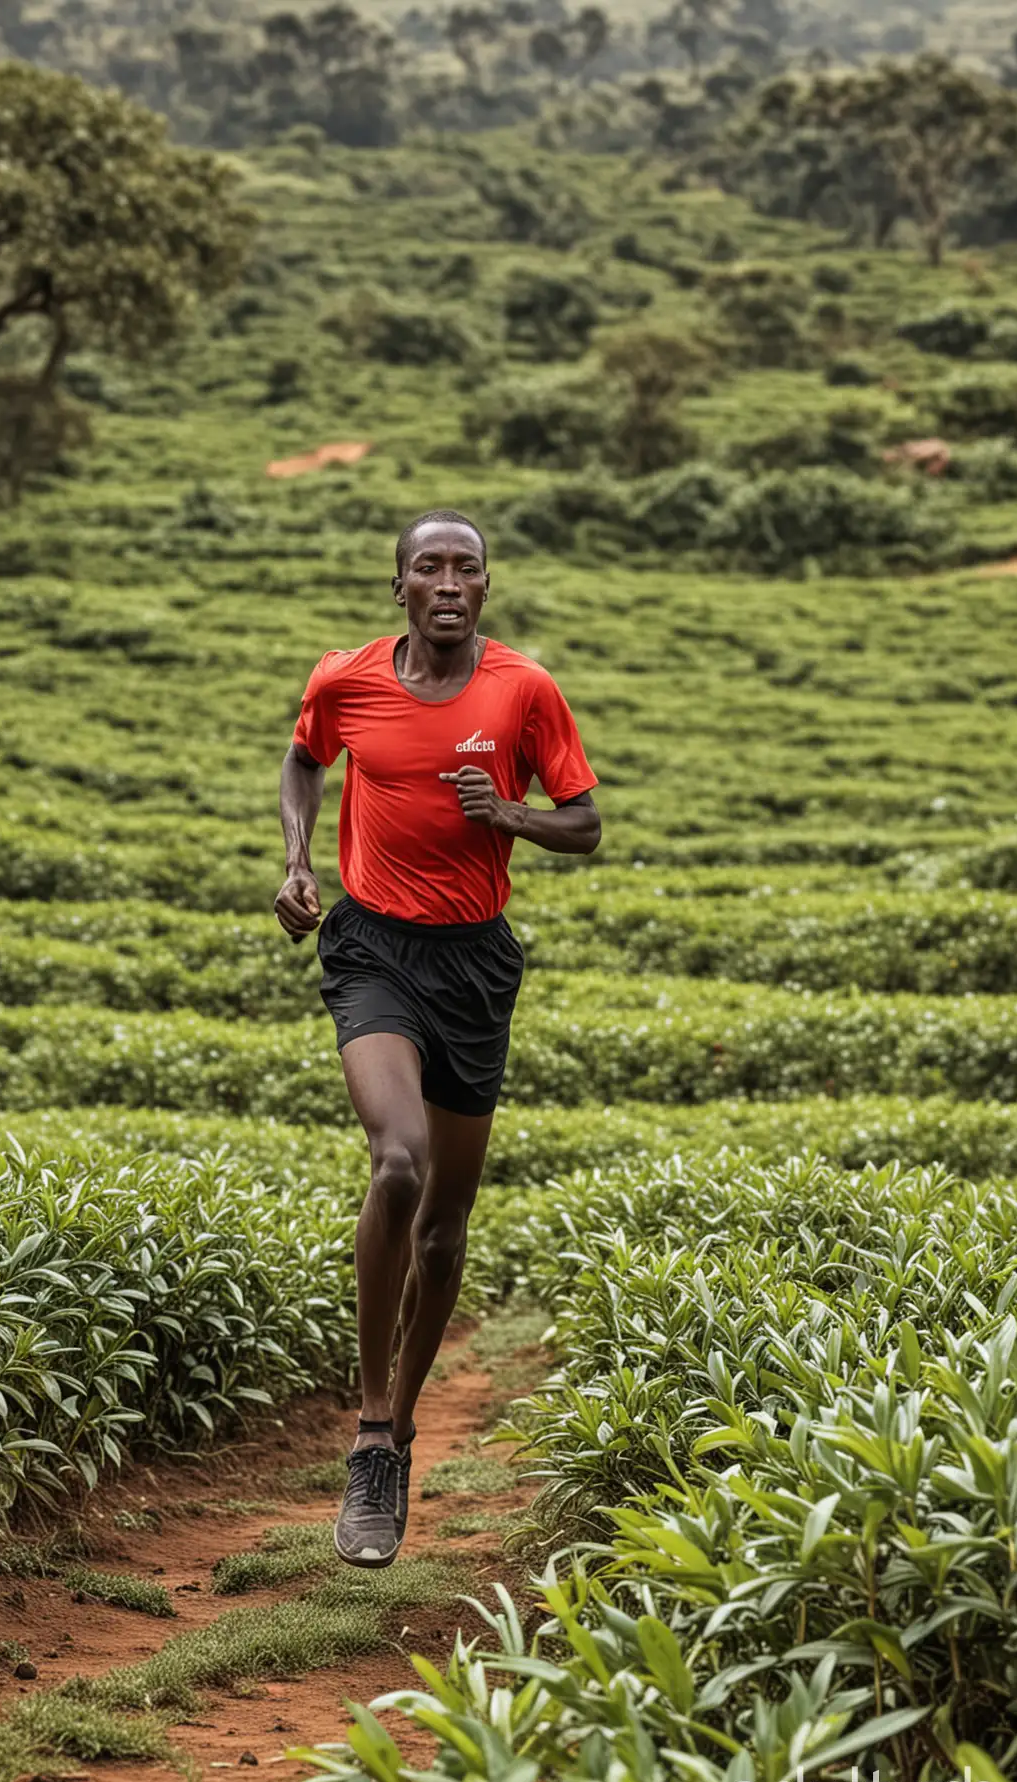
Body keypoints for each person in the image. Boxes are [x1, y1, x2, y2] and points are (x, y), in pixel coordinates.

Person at [274, 509, 601, 1567]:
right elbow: (303, 760)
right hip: (370, 947)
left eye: (466, 567)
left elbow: (585, 826)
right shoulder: (347, 679)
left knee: (447, 1230)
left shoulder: (525, 690)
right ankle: (370, 1432)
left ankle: (404, 1425)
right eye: (430, 567)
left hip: (475, 966)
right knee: (399, 1160)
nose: (449, 581)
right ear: (401, 586)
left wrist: (509, 814)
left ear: (485, 587)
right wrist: (297, 859)